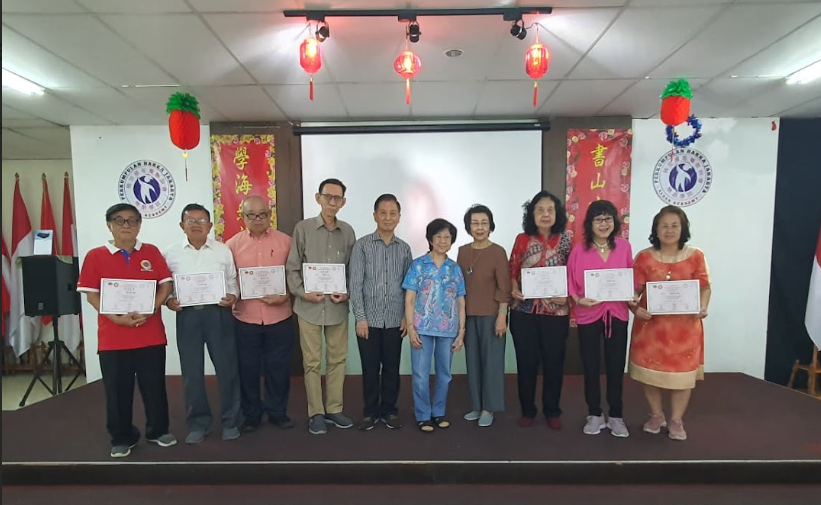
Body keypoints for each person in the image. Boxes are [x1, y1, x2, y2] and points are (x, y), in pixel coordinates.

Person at [77, 203, 177, 458]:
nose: (126, 225)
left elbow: (165, 286)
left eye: (132, 220)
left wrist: (152, 308)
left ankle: (158, 430)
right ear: (109, 224)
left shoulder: (151, 252)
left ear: (139, 225)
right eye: (119, 220)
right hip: (113, 338)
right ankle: (122, 437)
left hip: (150, 335)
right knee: (117, 391)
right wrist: (114, 317)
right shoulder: (95, 256)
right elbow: (91, 294)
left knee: (154, 387)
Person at [629, 205, 711, 441]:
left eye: (675, 225)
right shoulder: (644, 257)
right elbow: (633, 291)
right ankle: (656, 415)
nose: (669, 230)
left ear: (683, 229)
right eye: (664, 225)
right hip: (650, 329)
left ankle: (676, 420)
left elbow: (704, 287)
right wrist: (635, 308)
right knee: (649, 374)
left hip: (685, 330)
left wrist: (703, 307)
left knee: (681, 378)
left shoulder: (696, 255)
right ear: (656, 229)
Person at [163, 203, 241, 443]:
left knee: (227, 369)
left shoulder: (223, 250)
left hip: (218, 314)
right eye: (191, 221)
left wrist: (233, 296)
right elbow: (165, 286)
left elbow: (232, 281)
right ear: (182, 225)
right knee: (192, 372)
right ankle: (198, 423)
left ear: (210, 225)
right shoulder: (170, 253)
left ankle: (230, 421)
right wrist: (168, 300)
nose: (196, 225)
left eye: (201, 221)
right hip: (188, 316)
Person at [286, 178, 356, 435]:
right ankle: (316, 412)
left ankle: (334, 409)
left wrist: (347, 293)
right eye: (328, 197)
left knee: (337, 360)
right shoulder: (303, 228)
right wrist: (303, 293)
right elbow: (292, 267)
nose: (332, 202)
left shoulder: (347, 231)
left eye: (338, 198)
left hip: (337, 308)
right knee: (312, 362)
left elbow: (352, 270)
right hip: (309, 308)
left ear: (343, 202)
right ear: (318, 198)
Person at [226, 195, 295, 433]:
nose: (258, 219)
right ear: (243, 216)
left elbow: (295, 276)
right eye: (251, 215)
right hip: (245, 317)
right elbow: (228, 280)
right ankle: (252, 414)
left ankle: (277, 412)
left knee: (279, 368)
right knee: (248, 369)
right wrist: (232, 294)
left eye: (263, 214)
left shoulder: (286, 242)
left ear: (270, 215)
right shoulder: (231, 246)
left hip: (280, 317)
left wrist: (286, 295)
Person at [567, 200, 633, 438]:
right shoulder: (579, 250)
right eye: (598, 219)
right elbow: (569, 280)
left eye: (608, 219)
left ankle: (616, 415)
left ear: (615, 221)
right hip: (588, 314)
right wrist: (578, 299)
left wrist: (632, 294)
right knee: (591, 365)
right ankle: (594, 413)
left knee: (616, 366)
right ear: (590, 224)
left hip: (617, 314)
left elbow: (631, 277)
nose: (603, 224)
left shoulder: (624, 247)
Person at [508, 190, 571, 430]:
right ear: (532, 214)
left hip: (556, 313)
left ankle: (552, 410)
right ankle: (528, 410)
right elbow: (513, 268)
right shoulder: (522, 239)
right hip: (524, 312)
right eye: (540, 210)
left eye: (550, 210)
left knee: (554, 363)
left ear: (557, 214)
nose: (545, 214)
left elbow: (574, 275)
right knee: (526, 363)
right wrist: (514, 288)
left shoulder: (566, 240)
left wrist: (567, 296)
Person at [349, 194, 412, 431]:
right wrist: (360, 318)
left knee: (392, 368)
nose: (388, 218)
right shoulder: (362, 246)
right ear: (374, 215)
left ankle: (389, 410)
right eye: (383, 213)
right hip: (369, 320)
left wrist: (406, 317)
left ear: (399, 217)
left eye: (392, 213)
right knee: (370, 368)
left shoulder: (404, 249)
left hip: (395, 319)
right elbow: (355, 284)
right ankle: (370, 412)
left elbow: (409, 287)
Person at [403, 219, 466, 433]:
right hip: (421, 328)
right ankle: (423, 415)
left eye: (447, 237)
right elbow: (410, 299)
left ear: (452, 241)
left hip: (448, 330)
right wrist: (411, 327)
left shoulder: (454, 268)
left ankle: (438, 412)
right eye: (438, 236)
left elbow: (461, 301)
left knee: (444, 374)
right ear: (430, 239)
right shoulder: (418, 265)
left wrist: (461, 331)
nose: (442, 241)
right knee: (420, 375)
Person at [456, 205, 511, 428]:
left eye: (484, 223)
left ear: (490, 226)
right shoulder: (462, 251)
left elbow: (504, 287)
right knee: (473, 362)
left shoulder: (498, 252)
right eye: (475, 223)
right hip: (468, 316)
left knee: (492, 363)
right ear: (468, 226)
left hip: (492, 316)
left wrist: (502, 315)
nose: (479, 227)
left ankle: (489, 407)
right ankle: (477, 405)